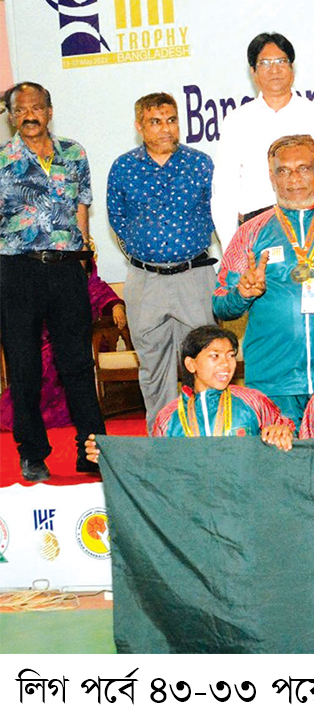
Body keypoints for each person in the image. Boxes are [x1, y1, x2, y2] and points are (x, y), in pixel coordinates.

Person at [212, 134, 314, 423]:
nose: (294, 179)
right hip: (272, 380)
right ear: (271, 176)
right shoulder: (250, 232)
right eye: (283, 171)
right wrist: (243, 294)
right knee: (278, 452)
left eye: (303, 168)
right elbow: (220, 305)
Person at [0, 81, 106, 481]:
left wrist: (82, 258)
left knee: (77, 363)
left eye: (36, 108)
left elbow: (82, 207)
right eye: (20, 109)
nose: (29, 115)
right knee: (24, 366)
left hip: (66, 269)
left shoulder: (74, 153)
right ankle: (32, 453)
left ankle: (92, 451)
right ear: (12, 117)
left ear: (49, 111)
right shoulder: (2, 159)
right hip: (18, 271)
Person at [107, 91, 218, 432]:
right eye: (155, 122)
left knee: (205, 361)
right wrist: (149, 255)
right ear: (139, 126)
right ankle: (162, 438)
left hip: (194, 276)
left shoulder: (200, 164)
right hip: (146, 280)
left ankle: (206, 436)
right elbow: (118, 219)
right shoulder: (124, 167)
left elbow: (215, 214)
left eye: (171, 120)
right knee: (152, 365)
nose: (166, 128)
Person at [210, 32, 314, 246]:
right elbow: (224, 191)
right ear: (253, 72)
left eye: (281, 61)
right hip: (258, 231)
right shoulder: (237, 121)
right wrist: (233, 249)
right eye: (265, 63)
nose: (274, 69)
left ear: (292, 67)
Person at [84, 325, 294, 461]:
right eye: (215, 356)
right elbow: (156, 465)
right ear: (191, 364)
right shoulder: (168, 417)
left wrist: (283, 431)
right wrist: (112, 456)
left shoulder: (253, 401)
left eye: (231, 355)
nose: (226, 364)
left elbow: (287, 430)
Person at [0, 260, 123, 430]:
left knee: (59, 359)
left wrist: (117, 308)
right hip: (45, 341)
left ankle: (80, 424)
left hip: (86, 341)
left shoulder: (93, 284)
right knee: (35, 362)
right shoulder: (42, 283)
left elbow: (107, 299)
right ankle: (32, 422)